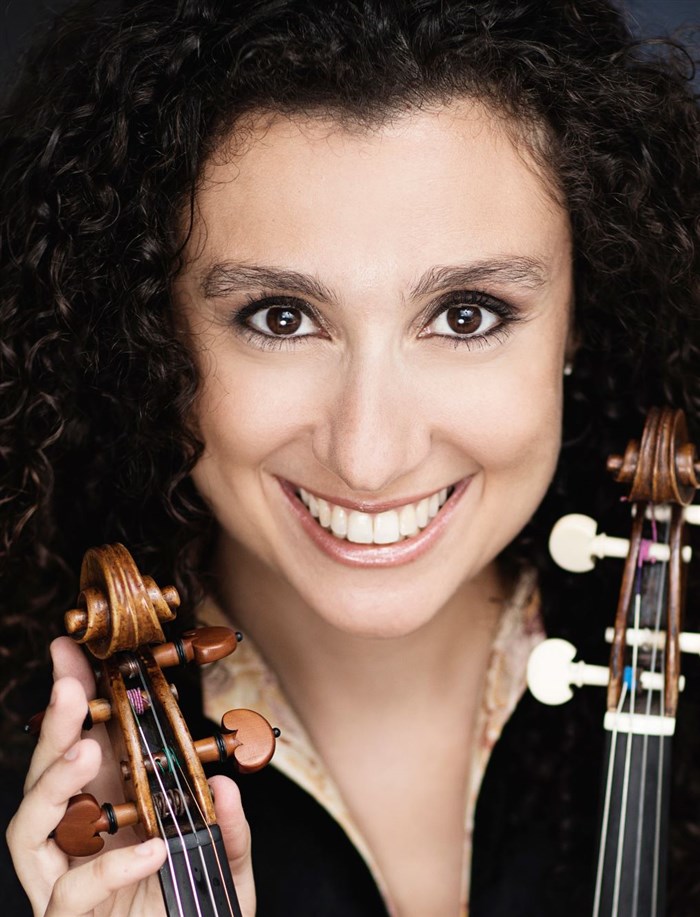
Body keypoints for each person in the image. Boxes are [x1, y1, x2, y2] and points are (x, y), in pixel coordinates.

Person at [1, 0, 699, 914]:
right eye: (281, 317)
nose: (369, 456)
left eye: (466, 315)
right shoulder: (57, 813)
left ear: (579, 317)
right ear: (152, 331)